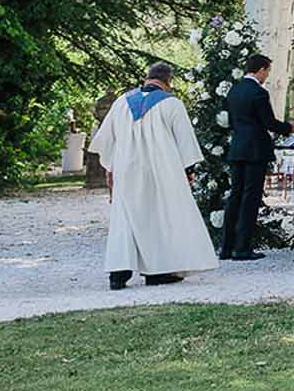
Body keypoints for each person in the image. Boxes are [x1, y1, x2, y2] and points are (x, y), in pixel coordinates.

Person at [89, 62, 218, 290]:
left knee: (125, 220)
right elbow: (185, 142)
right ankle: (157, 272)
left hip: (127, 168)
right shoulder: (172, 104)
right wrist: (189, 171)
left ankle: (118, 274)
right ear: (168, 82)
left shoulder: (121, 102)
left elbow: (106, 138)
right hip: (162, 170)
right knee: (159, 217)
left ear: (147, 78)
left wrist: (111, 167)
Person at [221, 52, 294, 261]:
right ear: (261, 69)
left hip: (237, 148)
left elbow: (232, 121)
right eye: (268, 71)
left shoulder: (234, 91)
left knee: (235, 195)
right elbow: (268, 122)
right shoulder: (258, 93)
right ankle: (242, 248)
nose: (267, 76)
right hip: (255, 149)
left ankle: (226, 247)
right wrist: (289, 127)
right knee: (250, 197)